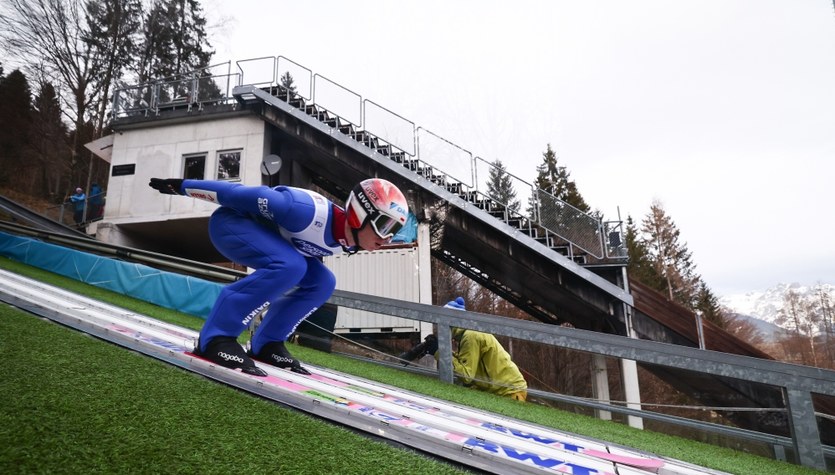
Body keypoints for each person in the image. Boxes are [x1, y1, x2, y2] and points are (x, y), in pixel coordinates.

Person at [149, 176, 409, 377]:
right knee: (292, 266)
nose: (386, 239)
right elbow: (237, 194)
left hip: (266, 240)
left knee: (322, 282)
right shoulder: (303, 211)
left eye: (394, 230)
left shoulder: (346, 238)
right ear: (360, 213)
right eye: (385, 226)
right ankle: (217, 337)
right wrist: (182, 186)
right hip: (229, 225)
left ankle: (268, 344)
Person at [402, 297, 528, 401]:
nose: (440, 328)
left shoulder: (470, 336)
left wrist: (439, 352)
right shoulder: (468, 333)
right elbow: (466, 362)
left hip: (509, 391)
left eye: (442, 323)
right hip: (502, 388)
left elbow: (467, 376)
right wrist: (445, 352)